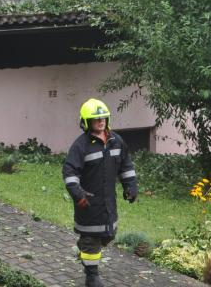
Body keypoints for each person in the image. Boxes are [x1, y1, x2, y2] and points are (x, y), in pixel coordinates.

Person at [62, 98, 138, 287]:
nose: (101, 121)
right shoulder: (80, 146)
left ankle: (85, 248)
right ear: (86, 122)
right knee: (91, 239)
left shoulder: (116, 141)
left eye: (103, 117)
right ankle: (92, 276)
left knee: (108, 234)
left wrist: (130, 186)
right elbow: (70, 173)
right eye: (96, 119)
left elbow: (126, 165)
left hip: (108, 202)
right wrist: (78, 194)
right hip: (88, 202)